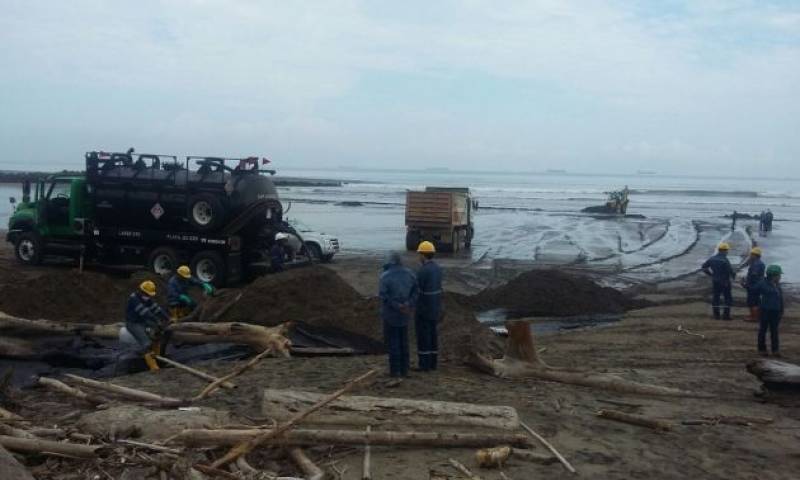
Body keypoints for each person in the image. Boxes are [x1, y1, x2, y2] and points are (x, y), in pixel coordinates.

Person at [378, 252, 418, 380]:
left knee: (393, 343)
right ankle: (405, 370)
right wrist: (408, 304)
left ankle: (395, 371)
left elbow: (384, 296)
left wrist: (397, 306)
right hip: (405, 315)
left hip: (391, 315)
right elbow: (416, 292)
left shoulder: (385, 276)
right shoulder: (410, 274)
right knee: (404, 342)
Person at [126, 281, 171, 371]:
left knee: (158, 335)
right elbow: (145, 313)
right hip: (133, 323)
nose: (149, 296)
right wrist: (157, 321)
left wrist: (168, 318)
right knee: (146, 343)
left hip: (144, 322)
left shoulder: (146, 298)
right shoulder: (134, 299)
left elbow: (157, 309)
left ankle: (158, 359)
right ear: (142, 291)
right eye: (148, 294)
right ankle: (153, 366)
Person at [415, 241, 442, 372]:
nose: (418, 256)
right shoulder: (437, 268)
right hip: (435, 308)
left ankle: (424, 365)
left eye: (419, 254)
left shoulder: (423, 271)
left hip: (424, 309)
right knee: (432, 335)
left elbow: (417, 291)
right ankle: (433, 363)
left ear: (423, 255)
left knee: (423, 337)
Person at [754, 265, 784, 357]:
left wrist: (781, 310)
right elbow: (754, 293)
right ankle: (762, 349)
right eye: (779, 275)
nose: (780, 277)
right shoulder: (762, 284)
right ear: (773, 275)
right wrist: (757, 306)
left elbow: (780, 298)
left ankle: (775, 350)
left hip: (775, 311)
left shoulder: (777, 285)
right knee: (763, 330)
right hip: (765, 310)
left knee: (774, 331)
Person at [701, 242, 735, 320]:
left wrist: (711, 274)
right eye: (727, 251)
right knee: (727, 298)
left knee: (716, 298)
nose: (727, 252)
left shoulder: (712, 258)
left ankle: (716, 315)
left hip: (715, 281)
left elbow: (703, 267)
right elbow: (729, 271)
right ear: (724, 250)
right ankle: (726, 316)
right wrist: (733, 276)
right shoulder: (725, 260)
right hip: (725, 282)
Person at [741, 247, 766, 322]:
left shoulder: (757, 264)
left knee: (753, 302)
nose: (750, 256)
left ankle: (755, 317)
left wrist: (746, 283)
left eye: (751, 254)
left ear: (755, 255)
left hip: (754, 286)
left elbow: (754, 275)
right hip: (755, 285)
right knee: (753, 301)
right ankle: (753, 315)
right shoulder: (757, 263)